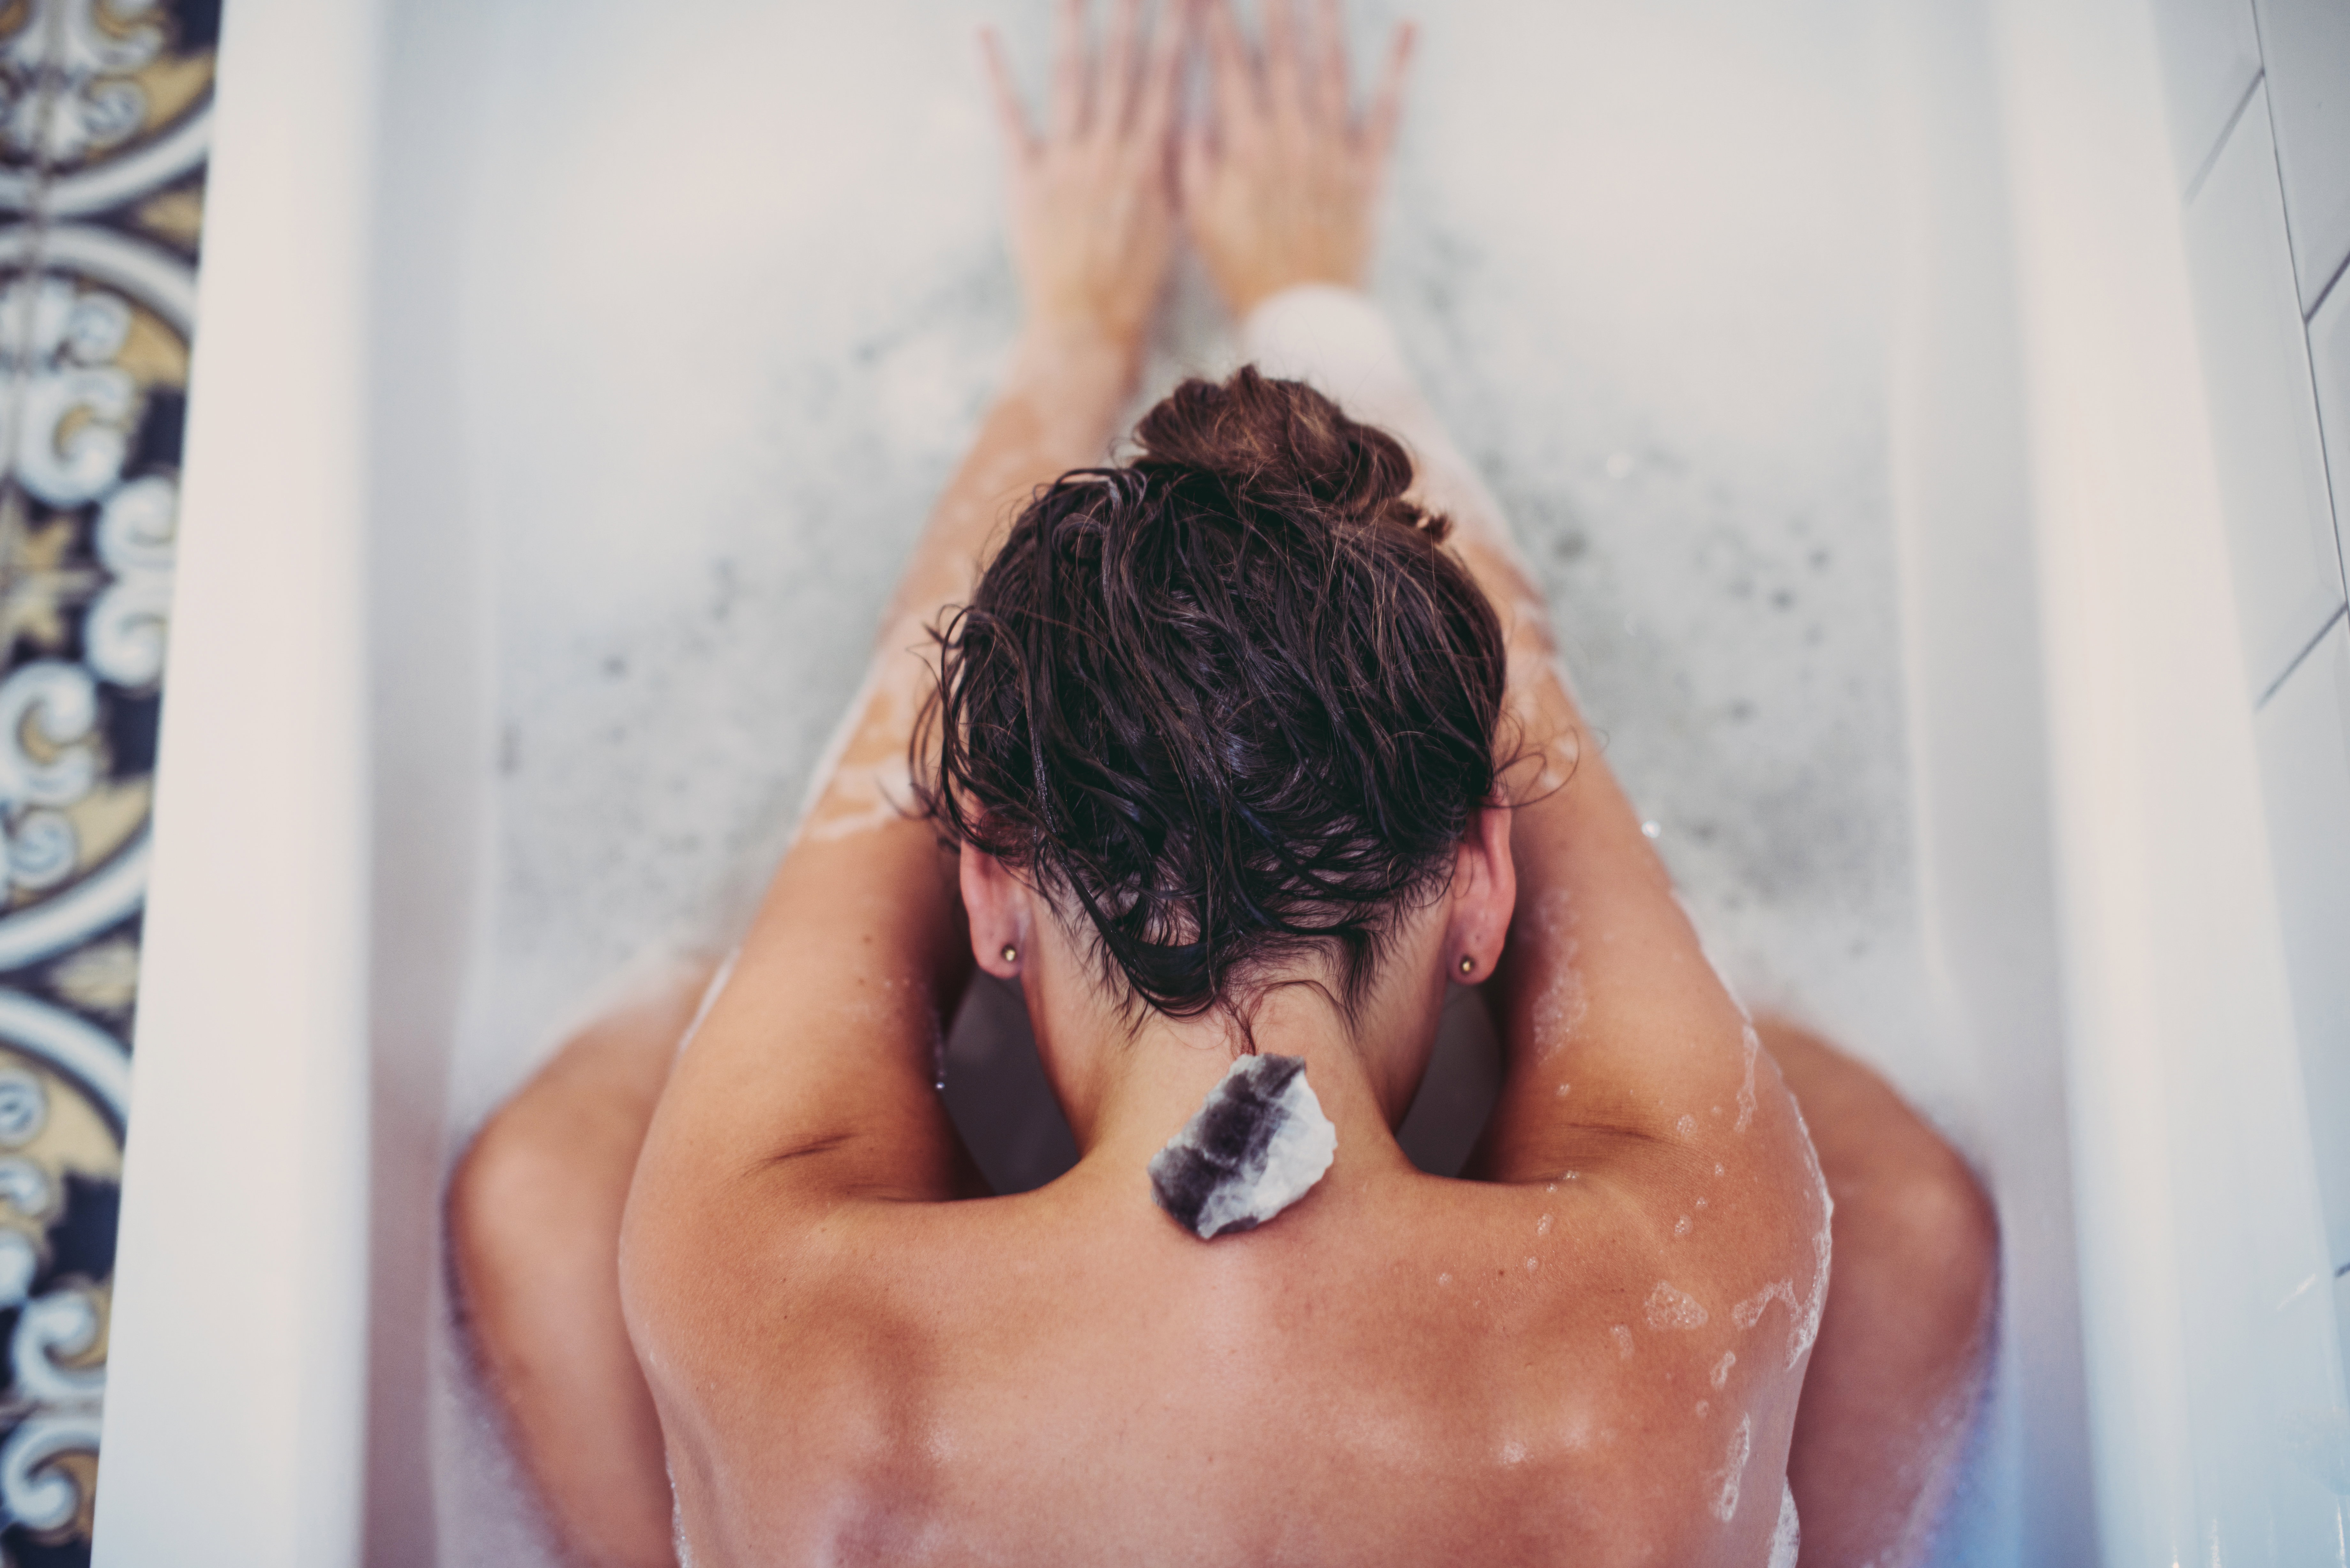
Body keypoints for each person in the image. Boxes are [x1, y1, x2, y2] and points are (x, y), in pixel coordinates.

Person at [446, 3, 1998, 1564]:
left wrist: (1069, 343)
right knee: (1909, 1227)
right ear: (1478, 876)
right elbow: (1560, 767)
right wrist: (1324, 313)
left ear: (985, 873)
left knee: (543, 1192)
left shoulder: (806, 1328)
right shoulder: (1658, 1312)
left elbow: (877, 784)